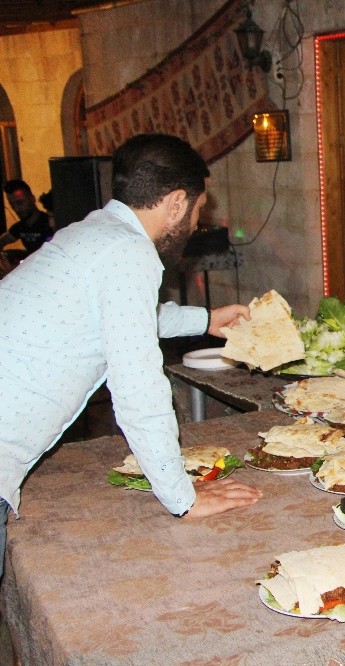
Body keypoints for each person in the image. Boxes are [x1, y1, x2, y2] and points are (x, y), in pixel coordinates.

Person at [0, 134, 263, 578]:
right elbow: (139, 389)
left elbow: (119, 318)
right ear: (177, 203)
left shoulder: (94, 232)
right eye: (199, 208)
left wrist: (206, 319)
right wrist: (184, 497)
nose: (199, 221)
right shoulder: (129, 251)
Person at [1, 179, 54, 254]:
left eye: (20, 203)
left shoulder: (49, 223)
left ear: (32, 198)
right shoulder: (20, 227)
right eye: (12, 205)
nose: (16, 209)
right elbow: (3, 240)